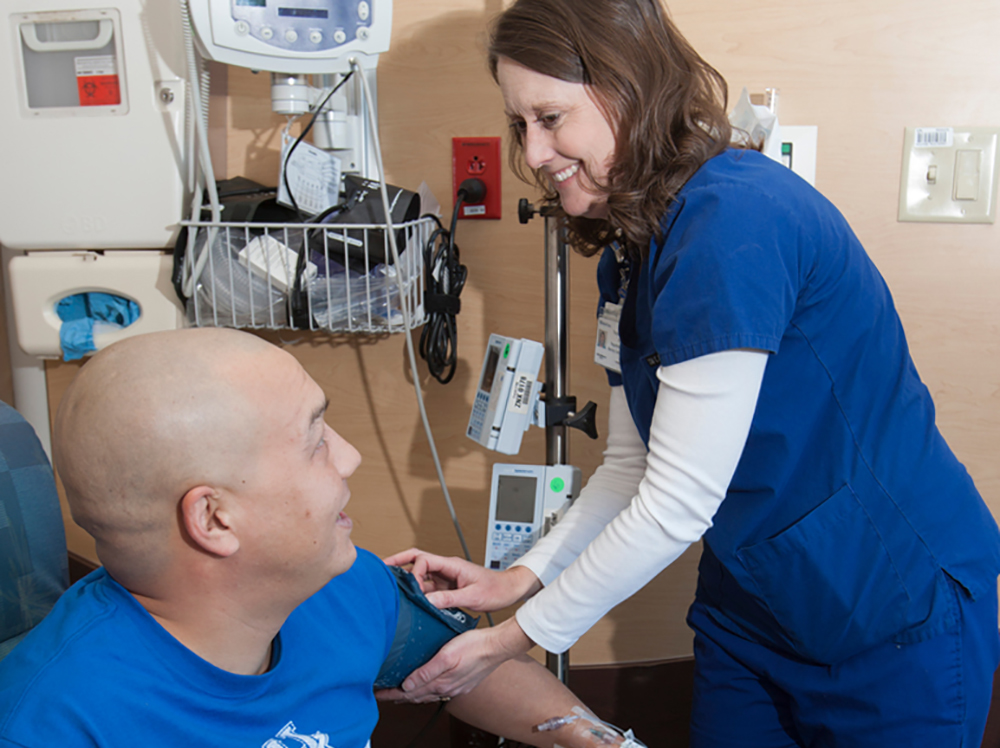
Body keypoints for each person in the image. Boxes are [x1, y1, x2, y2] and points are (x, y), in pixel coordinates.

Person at [384, 0, 1000, 745]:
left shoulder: (737, 222)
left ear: (629, 90)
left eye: (550, 117)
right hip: (756, 607)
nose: (535, 153)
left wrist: (510, 640)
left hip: (886, 603)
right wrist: (518, 580)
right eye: (522, 125)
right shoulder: (631, 251)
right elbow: (631, 464)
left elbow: (675, 502)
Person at [0, 328, 636, 748]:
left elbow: (472, 667)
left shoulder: (343, 586)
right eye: (315, 441)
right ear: (216, 519)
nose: (351, 457)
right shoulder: (56, 721)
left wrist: (588, 735)